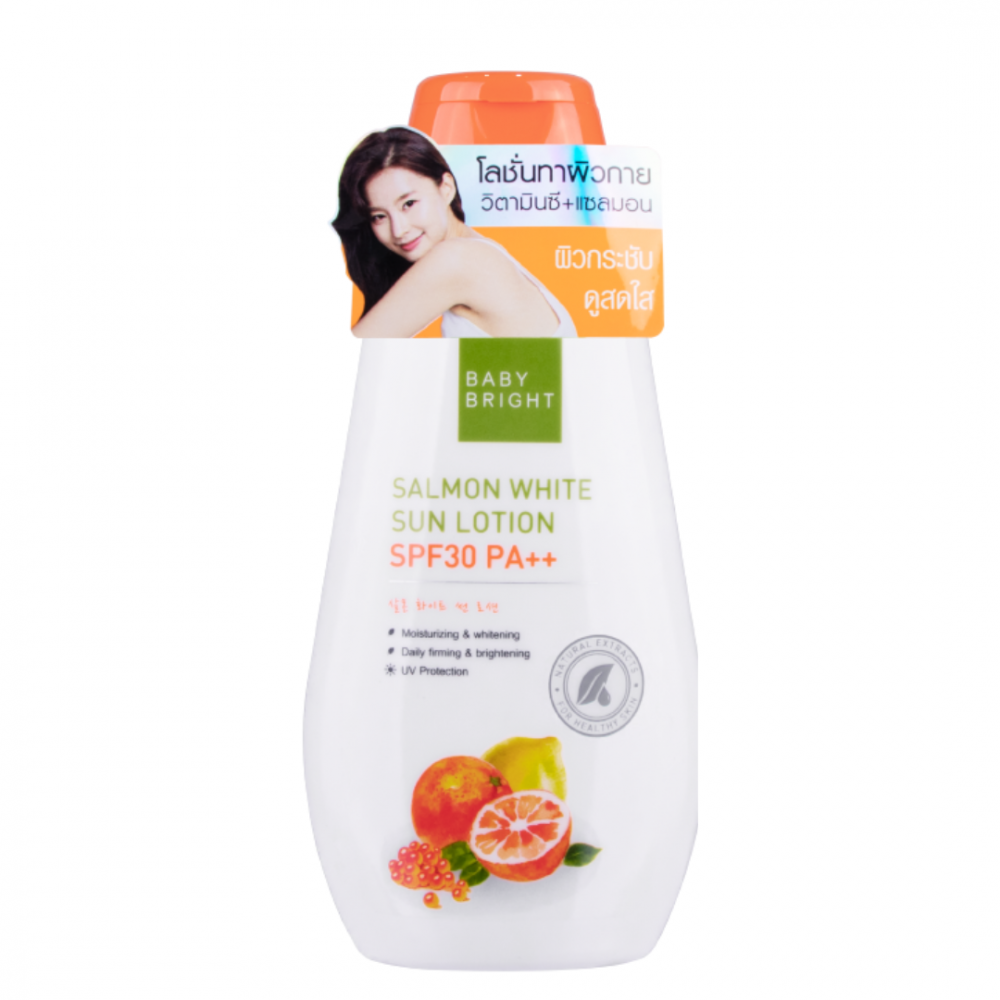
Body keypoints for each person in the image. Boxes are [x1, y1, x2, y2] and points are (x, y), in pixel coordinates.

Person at [333, 127, 576, 339]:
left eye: (409, 204)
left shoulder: (457, 260)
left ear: (446, 188)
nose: (398, 230)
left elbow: (351, 357)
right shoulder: (479, 251)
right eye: (379, 216)